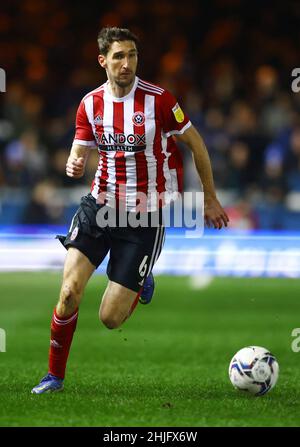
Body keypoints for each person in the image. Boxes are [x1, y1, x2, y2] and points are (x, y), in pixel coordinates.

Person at [31, 27, 229, 394]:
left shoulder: (160, 101)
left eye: (133, 55)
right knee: (69, 293)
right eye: (119, 56)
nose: (127, 63)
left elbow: (197, 146)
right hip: (99, 206)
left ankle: (139, 281)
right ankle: (54, 376)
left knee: (110, 318)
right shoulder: (90, 103)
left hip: (145, 216)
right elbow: (79, 150)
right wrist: (73, 163)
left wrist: (210, 198)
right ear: (103, 61)